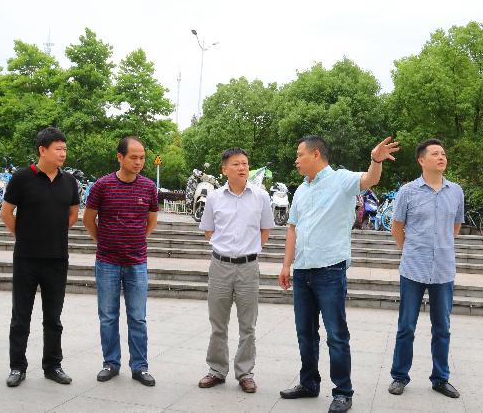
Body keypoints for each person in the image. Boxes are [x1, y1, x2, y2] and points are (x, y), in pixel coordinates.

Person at [278, 135, 399, 413]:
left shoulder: (341, 180)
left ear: (315, 154)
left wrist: (376, 159)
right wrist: (286, 265)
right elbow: (293, 228)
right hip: (303, 271)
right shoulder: (301, 190)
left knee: (336, 334)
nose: (296, 160)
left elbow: (370, 179)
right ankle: (309, 383)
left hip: (330, 270)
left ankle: (343, 391)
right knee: (305, 332)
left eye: (299, 154)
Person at [0, 127, 79, 387]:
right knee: (20, 316)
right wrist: (24, 235)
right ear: (42, 150)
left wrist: (52, 232)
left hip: (57, 259)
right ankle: (17, 367)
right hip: (26, 258)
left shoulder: (69, 181)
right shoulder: (22, 178)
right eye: (58, 149)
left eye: (65, 149)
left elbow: (73, 214)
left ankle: (53, 365)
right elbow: (6, 212)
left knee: (53, 318)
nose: (63, 154)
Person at [388, 139, 464, 399]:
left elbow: (456, 226)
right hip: (413, 269)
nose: (441, 157)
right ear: (421, 160)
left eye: (443, 153)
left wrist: (441, 247)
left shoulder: (456, 191)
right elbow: (397, 226)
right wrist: (409, 250)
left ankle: (440, 379)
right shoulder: (408, 191)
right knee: (406, 326)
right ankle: (399, 376)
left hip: (444, 270)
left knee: (442, 327)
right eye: (435, 153)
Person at [196, 147, 274, 393]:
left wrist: (249, 250)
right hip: (220, 266)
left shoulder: (261, 196)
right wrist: (226, 248)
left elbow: (265, 230)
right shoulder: (214, 198)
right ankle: (216, 370)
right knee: (218, 323)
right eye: (236, 164)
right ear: (224, 169)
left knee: (248, 326)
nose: (242, 168)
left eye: (245, 163)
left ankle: (245, 373)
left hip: (248, 268)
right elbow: (208, 230)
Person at [83, 136, 158, 387]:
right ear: (120, 157)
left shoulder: (148, 187)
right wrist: (103, 240)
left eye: (142, 158)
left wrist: (138, 239)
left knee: (138, 317)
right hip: (107, 262)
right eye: (133, 157)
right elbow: (88, 219)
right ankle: (110, 363)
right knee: (108, 316)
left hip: (137, 262)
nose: (139, 162)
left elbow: (151, 220)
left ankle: (140, 366)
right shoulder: (102, 185)